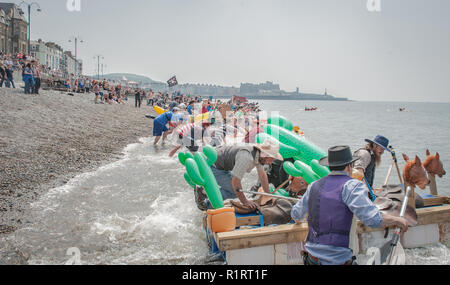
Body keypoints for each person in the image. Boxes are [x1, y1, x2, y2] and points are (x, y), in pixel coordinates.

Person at [291, 146, 409, 265]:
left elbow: (295, 214)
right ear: (349, 166)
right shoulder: (352, 186)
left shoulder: (313, 186)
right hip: (338, 260)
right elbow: (373, 219)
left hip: (312, 258)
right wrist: (398, 220)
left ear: (329, 166)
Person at [195, 140, 283, 211]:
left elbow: (263, 176)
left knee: (235, 191)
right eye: (271, 159)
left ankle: (207, 194)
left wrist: (268, 195)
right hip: (212, 164)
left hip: (220, 163)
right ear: (265, 155)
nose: (271, 163)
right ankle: (204, 197)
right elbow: (235, 181)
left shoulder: (258, 156)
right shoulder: (246, 157)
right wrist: (245, 202)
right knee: (234, 192)